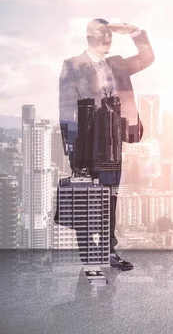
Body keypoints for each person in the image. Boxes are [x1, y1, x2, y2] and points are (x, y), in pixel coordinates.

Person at [59, 18, 154, 271]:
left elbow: (147, 58)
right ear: (89, 36)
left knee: (109, 200)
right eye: (102, 34)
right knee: (86, 201)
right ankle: (90, 259)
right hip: (85, 146)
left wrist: (134, 31)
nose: (108, 38)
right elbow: (66, 109)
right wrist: (72, 152)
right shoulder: (73, 65)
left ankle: (109, 252)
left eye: (110, 34)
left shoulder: (117, 64)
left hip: (112, 143)